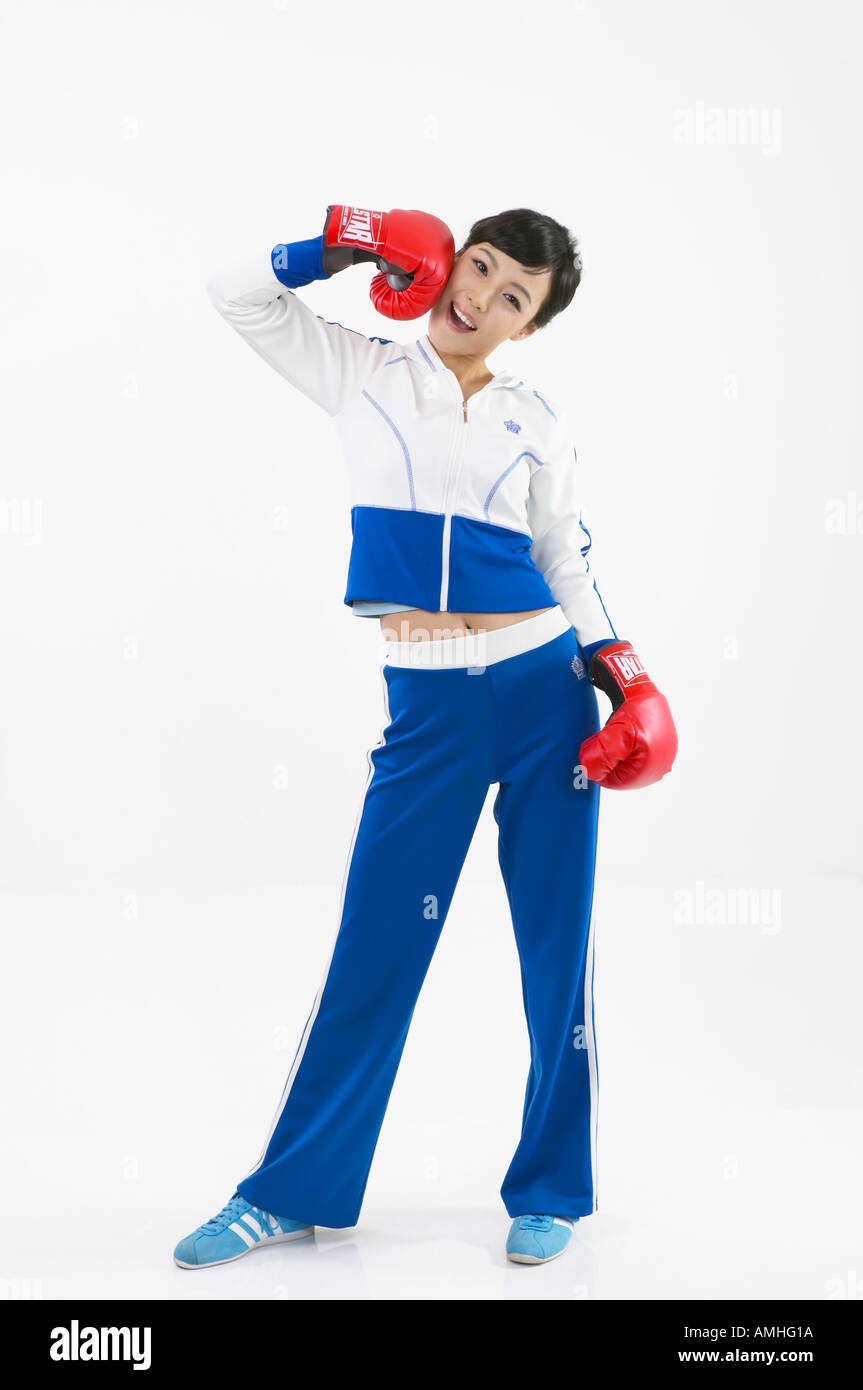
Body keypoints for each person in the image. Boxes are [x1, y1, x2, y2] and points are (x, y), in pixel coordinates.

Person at [172, 204, 678, 1271]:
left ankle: (551, 1189)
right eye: (480, 267)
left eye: (511, 298)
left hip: (546, 696)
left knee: (555, 951)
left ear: (527, 326)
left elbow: (565, 557)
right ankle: (290, 1188)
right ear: (447, 256)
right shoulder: (362, 371)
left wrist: (623, 675)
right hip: (431, 709)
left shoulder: (534, 415)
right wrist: (339, 237)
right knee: (373, 949)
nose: (479, 298)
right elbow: (232, 291)